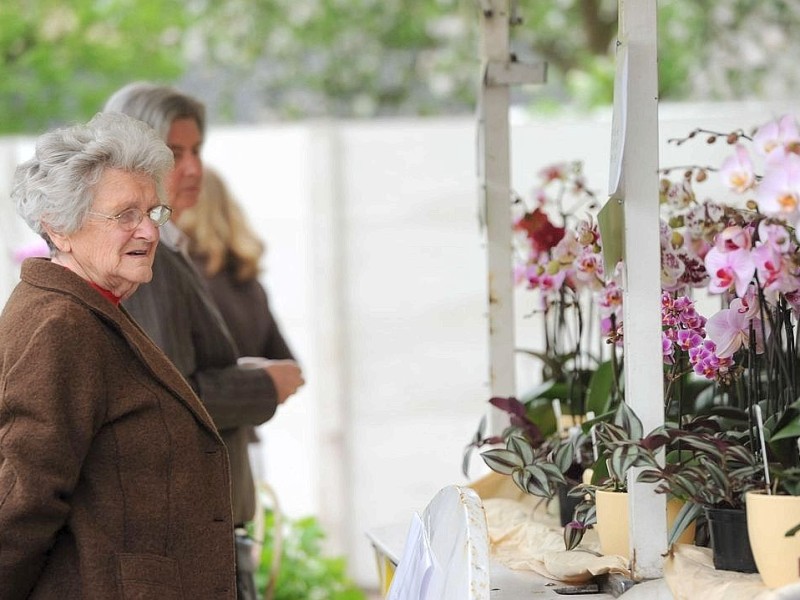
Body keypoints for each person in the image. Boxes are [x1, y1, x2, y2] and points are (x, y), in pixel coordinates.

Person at [0, 112, 237, 599]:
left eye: (153, 213)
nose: (148, 232)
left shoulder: (90, 310)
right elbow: (20, 502)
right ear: (59, 227)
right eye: (125, 214)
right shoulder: (61, 325)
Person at [103, 82, 304, 600]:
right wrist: (260, 384)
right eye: (174, 153)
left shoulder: (169, 251)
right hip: (185, 540)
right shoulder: (148, 260)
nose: (192, 169)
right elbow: (168, 398)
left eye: (197, 151)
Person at [178, 166, 297, 522]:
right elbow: (288, 365)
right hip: (248, 449)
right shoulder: (249, 282)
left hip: (202, 456)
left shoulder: (181, 281)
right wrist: (256, 378)